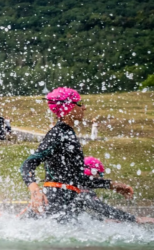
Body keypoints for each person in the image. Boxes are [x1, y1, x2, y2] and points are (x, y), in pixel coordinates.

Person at [22, 87, 152, 223]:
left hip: (64, 204)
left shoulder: (68, 134)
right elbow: (28, 163)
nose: (84, 107)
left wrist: (111, 185)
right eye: (79, 104)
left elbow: (78, 180)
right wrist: (34, 189)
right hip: (55, 203)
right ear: (69, 108)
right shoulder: (57, 134)